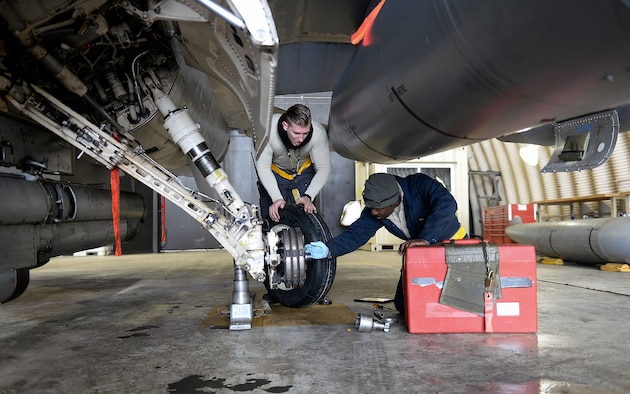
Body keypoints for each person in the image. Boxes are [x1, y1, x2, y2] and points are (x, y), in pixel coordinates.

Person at [305, 172, 468, 314]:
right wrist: (328, 249)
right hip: (422, 254)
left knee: (460, 298)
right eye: (371, 207)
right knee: (404, 306)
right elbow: (356, 235)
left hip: (454, 247)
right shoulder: (374, 212)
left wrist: (426, 238)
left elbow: (447, 204)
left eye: (379, 208)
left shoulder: (420, 185)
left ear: (394, 200)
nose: (374, 212)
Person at [257, 104, 331, 222]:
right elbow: (263, 167)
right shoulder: (268, 131)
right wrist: (276, 198)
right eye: (296, 133)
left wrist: (308, 196)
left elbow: (324, 168)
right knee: (273, 217)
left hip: (303, 172)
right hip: (276, 174)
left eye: (305, 133)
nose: (301, 139)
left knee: (307, 217)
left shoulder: (318, 133)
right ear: (285, 126)